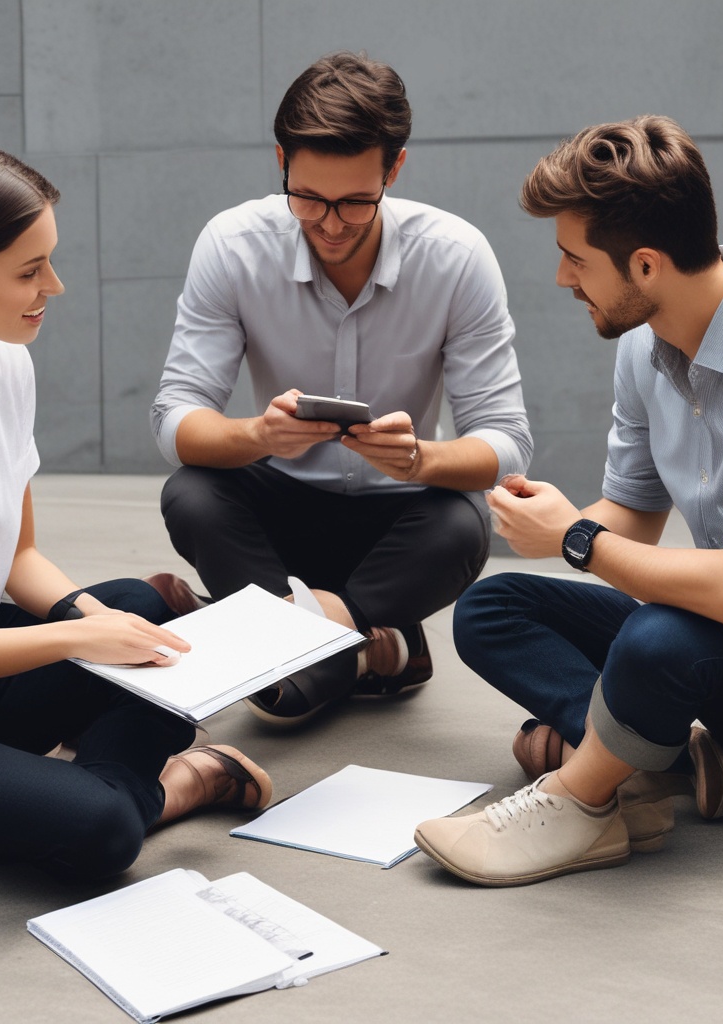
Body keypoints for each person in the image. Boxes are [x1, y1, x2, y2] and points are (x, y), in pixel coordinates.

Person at [0, 144, 271, 882]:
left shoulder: (3, 361)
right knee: (98, 828)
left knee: (148, 626)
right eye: (29, 271)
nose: (53, 287)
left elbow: (19, 558)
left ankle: (100, 788)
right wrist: (77, 640)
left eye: (49, 262)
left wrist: (91, 618)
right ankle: (165, 788)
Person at [414, 115, 723, 887]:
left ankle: (580, 799)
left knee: (661, 639)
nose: (561, 279)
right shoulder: (647, 347)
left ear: (645, 265)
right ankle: (658, 762)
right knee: (493, 609)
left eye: (574, 259)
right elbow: (632, 517)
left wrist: (577, 542)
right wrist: (554, 519)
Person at [151, 52, 532, 724]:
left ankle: (262, 633)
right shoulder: (233, 244)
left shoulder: (455, 256)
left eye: (356, 200)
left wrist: (422, 459)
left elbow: (506, 442)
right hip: (281, 505)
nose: (330, 223)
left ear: (395, 169)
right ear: (281, 162)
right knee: (192, 493)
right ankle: (360, 645)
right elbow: (175, 416)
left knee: (463, 522)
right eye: (308, 198)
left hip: (401, 519)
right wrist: (256, 436)